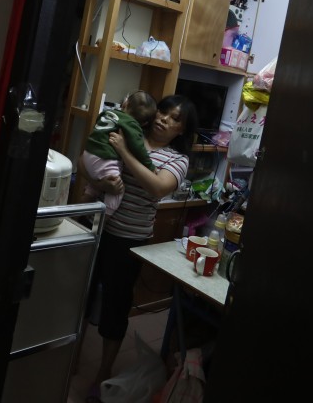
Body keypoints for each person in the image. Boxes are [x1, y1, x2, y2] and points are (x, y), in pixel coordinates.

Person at [86, 94, 198, 402]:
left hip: (129, 239)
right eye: (164, 111)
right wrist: (102, 181)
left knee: (115, 306)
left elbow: (157, 187)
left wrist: (125, 151)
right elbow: (93, 159)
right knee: (79, 295)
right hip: (96, 227)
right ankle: (68, 357)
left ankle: (102, 371)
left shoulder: (178, 160)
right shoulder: (127, 127)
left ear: (181, 131)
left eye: (176, 119)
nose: (165, 119)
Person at [81, 90, 157, 215]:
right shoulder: (132, 125)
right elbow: (137, 147)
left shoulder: (108, 113)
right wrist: (149, 165)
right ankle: (102, 222)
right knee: (117, 191)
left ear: (125, 104)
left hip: (88, 153)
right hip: (104, 158)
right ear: (144, 123)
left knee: (93, 186)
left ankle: (75, 217)